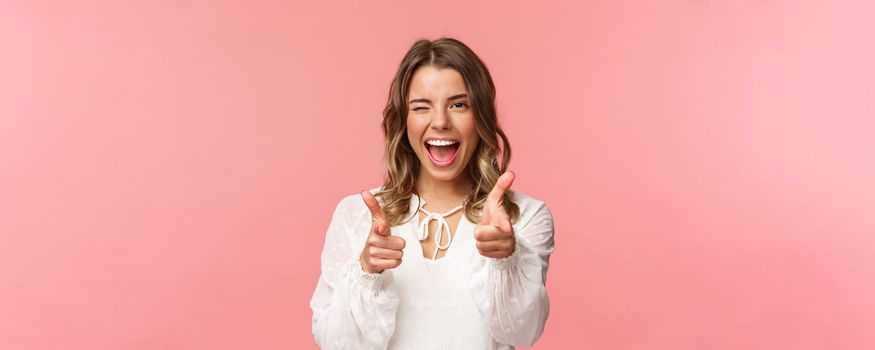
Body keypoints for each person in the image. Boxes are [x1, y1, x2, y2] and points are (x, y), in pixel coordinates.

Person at [309, 37, 556, 350]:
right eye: (421, 107)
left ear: (480, 118)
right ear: (404, 120)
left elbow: (522, 333)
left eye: (458, 105)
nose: (440, 122)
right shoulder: (355, 215)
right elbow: (335, 343)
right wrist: (367, 272)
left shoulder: (524, 216)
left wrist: (506, 260)